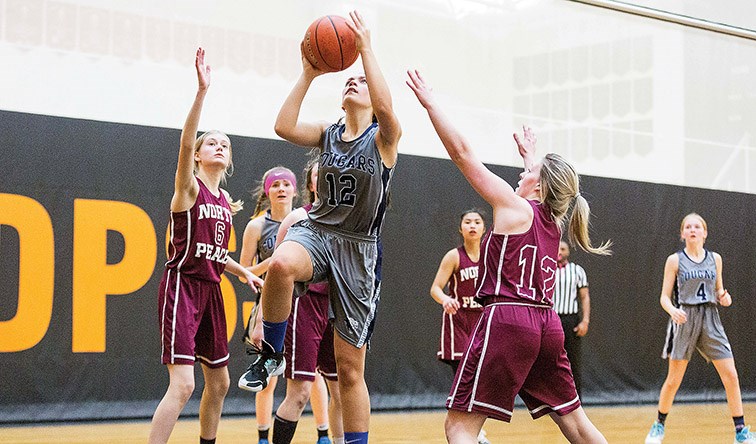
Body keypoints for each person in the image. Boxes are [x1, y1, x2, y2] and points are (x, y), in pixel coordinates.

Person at [407, 69, 611, 444]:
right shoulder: (554, 221)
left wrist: (431, 104)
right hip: (547, 325)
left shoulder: (513, 207)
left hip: (506, 318)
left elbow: (463, 153)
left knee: (459, 426)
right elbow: (545, 189)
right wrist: (532, 157)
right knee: (578, 425)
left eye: (528, 170)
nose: (521, 173)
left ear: (541, 184)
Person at [238, 10, 401, 444]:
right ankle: (271, 353)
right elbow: (283, 125)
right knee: (281, 263)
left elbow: (386, 107)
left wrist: (366, 50)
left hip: (358, 250)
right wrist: (309, 73)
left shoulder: (384, 138)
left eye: (361, 82)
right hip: (320, 230)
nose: (353, 82)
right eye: (350, 79)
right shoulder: (328, 133)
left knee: (349, 370)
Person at [148, 47, 264, 444]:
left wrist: (242, 270)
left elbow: (214, 254)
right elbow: (183, 144)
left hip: (211, 291)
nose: (218, 146)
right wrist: (201, 92)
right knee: (182, 386)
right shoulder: (189, 190)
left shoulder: (223, 204)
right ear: (197, 155)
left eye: (225, 144)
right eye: (211, 142)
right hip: (182, 286)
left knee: (220, 383)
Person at [644, 213, 755, 444]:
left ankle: (741, 431)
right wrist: (672, 310)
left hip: (710, 318)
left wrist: (724, 297)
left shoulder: (715, 258)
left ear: (705, 232)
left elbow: (719, 290)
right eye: (688, 226)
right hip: (685, 317)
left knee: (731, 375)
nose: (692, 229)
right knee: (674, 379)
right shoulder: (674, 260)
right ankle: (658, 425)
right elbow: (664, 297)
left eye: (697, 226)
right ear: (682, 233)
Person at [271, 159, 344, 444]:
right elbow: (278, 273)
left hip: (339, 306)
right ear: (311, 185)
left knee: (340, 389)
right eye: (319, 176)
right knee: (300, 392)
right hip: (305, 304)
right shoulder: (297, 218)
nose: (325, 180)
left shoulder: (348, 219)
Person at [237, 166, 297, 444]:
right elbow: (244, 270)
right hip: (269, 304)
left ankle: (323, 434)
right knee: (268, 374)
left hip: (303, 302)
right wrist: (272, 265)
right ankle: (263, 437)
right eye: (276, 185)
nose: (281, 189)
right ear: (267, 191)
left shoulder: (304, 222)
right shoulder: (256, 226)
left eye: (286, 184)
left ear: (295, 190)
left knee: (310, 374)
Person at [429, 209, 490, 444]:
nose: (472, 225)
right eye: (467, 222)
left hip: (483, 324)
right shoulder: (454, 256)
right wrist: (445, 299)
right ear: (461, 228)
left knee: (481, 381)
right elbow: (435, 288)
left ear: (484, 228)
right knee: (464, 380)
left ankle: (471, 429)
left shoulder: (490, 255)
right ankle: (470, 432)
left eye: (477, 222)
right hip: (459, 325)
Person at [553, 240, 591, 397]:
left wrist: (585, 320)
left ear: (568, 252)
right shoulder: (545, 270)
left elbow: (585, 297)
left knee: (572, 361)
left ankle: (576, 402)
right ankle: (553, 402)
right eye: (557, 248)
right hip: (551, 319)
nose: (559, 251)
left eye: (563, 249)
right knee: (550, 362)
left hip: (570, 320)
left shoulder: (577, 271)